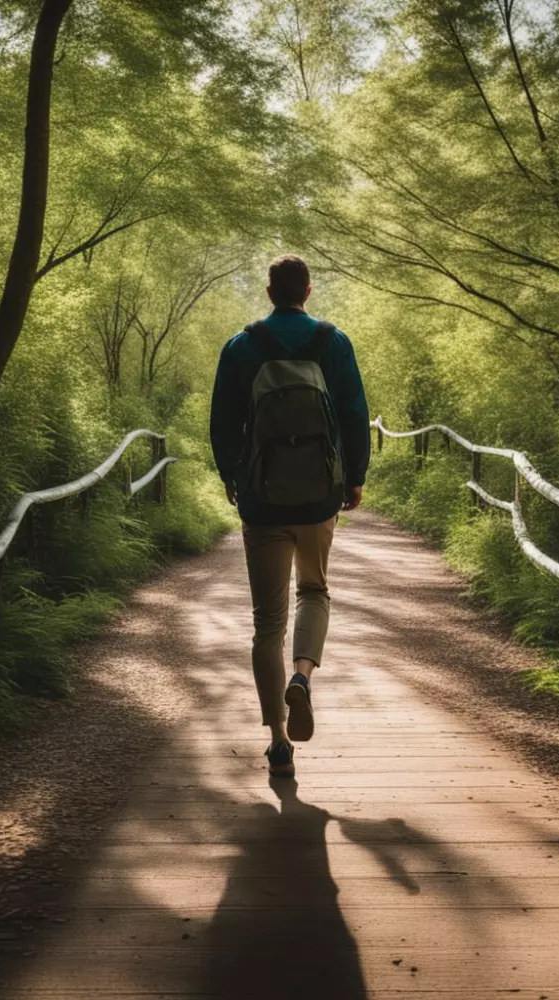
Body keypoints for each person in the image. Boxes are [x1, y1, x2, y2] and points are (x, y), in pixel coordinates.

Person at [210, 254, 370, 779]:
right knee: (315, 591)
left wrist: (232, 477)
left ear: (268, 290)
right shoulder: (333, 342)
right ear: (307, 290)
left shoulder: (241, 346)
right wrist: (354, 478)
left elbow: (224, 421)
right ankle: (302, 677)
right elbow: (351, 413)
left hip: (262, 498)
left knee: (265, 624)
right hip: (320, 495)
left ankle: (279, 741)